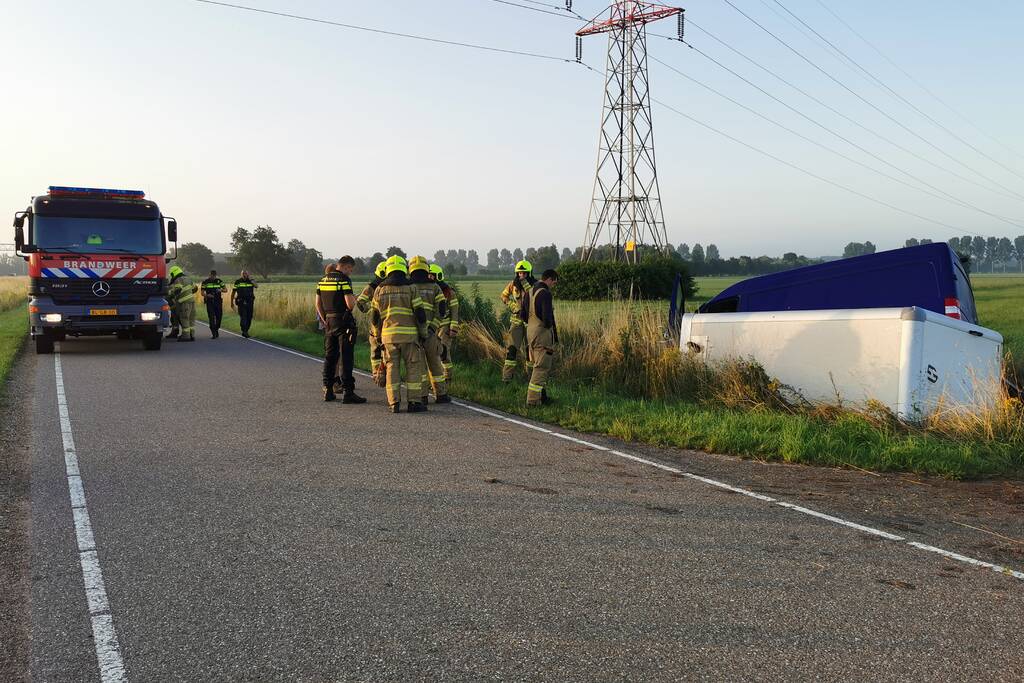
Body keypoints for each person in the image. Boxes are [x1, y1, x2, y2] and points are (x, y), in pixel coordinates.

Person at [371, 255, 428, 414]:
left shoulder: (380, 289)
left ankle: (394, 402)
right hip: (410, 337)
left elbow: (375, 317)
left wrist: (377, 336)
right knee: (413, 369)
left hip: (388, 337)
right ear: (404, 268)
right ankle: (414, 403)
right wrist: (423, 333)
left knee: (391, 368)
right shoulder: (411, 287)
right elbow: (420, 314)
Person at [316, 261, 366, 403]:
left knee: (330, 357)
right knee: (346, 357)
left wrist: (325, 319)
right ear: (345, 266)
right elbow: (349, 305)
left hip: (329, 321)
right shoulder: (344, 280)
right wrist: (355, 299)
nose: (350, 272)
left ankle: (328, 389)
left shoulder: (322, 280)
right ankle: (348, 392)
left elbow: (318, 304)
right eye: (350, 269)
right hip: (343, 322)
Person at [408, 256, 450, 404]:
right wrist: (433, 327)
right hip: (431, 333)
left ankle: (422, 396)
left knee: (419, 365)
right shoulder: (435, 287)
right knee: (435, 362)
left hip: (414, 333)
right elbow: (442, 310)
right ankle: (441, 394)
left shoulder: (408, 287)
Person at [522, 268, 559, 407]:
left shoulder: (529, 292)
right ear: (549, 279)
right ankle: (532, 401)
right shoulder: (545, 294)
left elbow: (523, 315)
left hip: (530, 333)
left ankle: (542, 397)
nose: (553, 286)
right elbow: (547, 319)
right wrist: (551, 332)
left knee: (535, 365)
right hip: (542, 334)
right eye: (554, 283)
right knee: (542, 367)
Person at [500, 260, 536, 382]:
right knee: (511, 350)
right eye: (519, 273)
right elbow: (503, 296)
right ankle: (507, 378)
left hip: (530, 323)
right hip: (516, 323)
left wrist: (524, 283)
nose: (521, 275)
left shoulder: (535, 285)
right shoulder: (512, 285)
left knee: (530, 351)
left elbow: (532, 296)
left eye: (524, 273)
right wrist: (512, 305)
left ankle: (530, 378)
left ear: (529, 274)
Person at [356, 261, 388, 377]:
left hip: (377, 325)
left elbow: (360, 302)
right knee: (384, 351)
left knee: (376, 351)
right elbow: (360, 302)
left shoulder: (372, 286)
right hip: (388, 324)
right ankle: (383, 374)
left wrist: (371, 308)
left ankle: (378, 374)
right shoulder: (393, 286)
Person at [429, 263, 459, 381]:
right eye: (428, 275)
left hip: (445, 326)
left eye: (432, 275)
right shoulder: (429, 290)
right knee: (432, 353)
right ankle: (435, 380)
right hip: (433, 326)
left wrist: (453, 328)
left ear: (438, 276)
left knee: (444, 352)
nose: (429, 278)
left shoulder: (449, 292)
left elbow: (454, 311)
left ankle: (447, 378)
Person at [167, 265, 198, 343]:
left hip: (184, 303)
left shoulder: (178, 280)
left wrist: (171, 295)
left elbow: (178, 289)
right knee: (191, 319)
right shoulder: (188, 278)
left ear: (174, 273)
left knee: (184, 318)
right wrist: (188, 293)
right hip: (192, 301)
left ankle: (186, 336)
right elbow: (195, 288)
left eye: (172, 275)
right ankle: (192, 335)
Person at [200, 270, 227, 338]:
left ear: (215, 275)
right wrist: (207, 295)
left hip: (218, 301)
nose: (213, 277)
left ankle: (216, 329)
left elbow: (226, 290)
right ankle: (213, 333)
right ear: (209, 275)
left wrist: (220, 290)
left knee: (219, 317)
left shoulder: (219, 281)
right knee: (211, 317)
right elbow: (202, 293)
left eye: (214, 276)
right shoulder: (205, 282)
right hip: (210, 302)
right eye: (211, 276)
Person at [231, 270, 257, 337]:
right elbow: (233, 292)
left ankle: (246, 330)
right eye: (243, 273)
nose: (244, 275)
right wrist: (231, 303)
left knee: (249, 317)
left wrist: (251, 280)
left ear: (248, 274)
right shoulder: (238, 281)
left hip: (250, 302)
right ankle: (244, 331)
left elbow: (256, 286)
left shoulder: (251, 281)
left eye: (246, 273)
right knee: (243, 317)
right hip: (241, 302)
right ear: (241, 274)